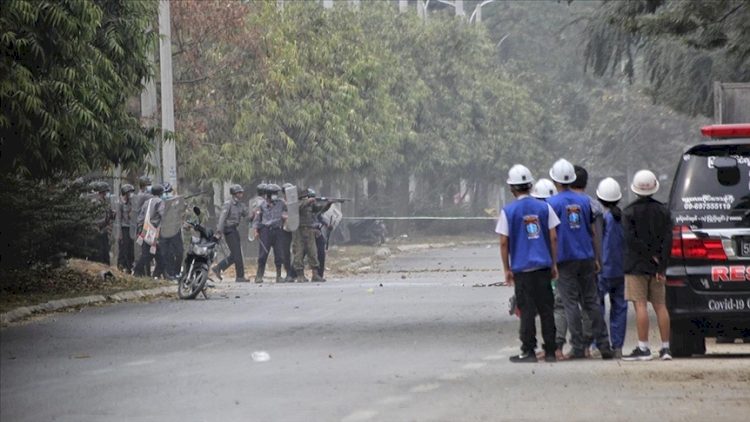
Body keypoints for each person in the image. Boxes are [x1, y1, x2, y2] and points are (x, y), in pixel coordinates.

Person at [546, 158, 614, 360]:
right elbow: (592, 232)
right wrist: (596, 259)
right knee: (592, 302)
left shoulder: (551, 204)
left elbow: (553, 236)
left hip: (565, 259)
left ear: (554, 180)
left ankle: (577, 348)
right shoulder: (586, 202)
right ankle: (604, 345)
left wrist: (553, 263)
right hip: (586, 257)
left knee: (570, 304)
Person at [497, 165, 560, 363]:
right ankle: (550, 351)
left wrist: (506, 268)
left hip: (522, 268)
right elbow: (553, 237)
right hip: (543, 267)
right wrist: (554, 264)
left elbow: (504, 241)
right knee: (547, 309)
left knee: (527, 310)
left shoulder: (508, 211)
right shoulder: (544, 207)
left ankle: (529, 350)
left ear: (512, 188)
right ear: (531, 185)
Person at [621, 170, 673, 361]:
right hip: (658, 268)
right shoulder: (664, 211)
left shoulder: (628, 212)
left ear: (635, 189)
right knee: (660, 306)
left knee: (640, 305)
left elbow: (631, 240)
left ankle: (643, 348)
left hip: (636, 266)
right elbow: (669, 240)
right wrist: (661, 264)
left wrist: (650, 256)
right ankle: (666, 348)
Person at [596, 177, 628, 358]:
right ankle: (618, 346)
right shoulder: (623, 217)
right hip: (621, 270)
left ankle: (598, 344)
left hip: (602, 270)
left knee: (596, 307)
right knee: (620, 308)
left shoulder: (601, 218)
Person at [293, 187, 331, 283]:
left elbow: (319, 209)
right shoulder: (296, 204)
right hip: (299, 230)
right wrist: (307, 202)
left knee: (313, 252)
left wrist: (328, 204)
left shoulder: (310, 205)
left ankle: (315, 274)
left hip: (309, 230)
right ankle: (300, 275)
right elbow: (296, 209)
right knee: (299, 253)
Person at [213, 184, 250, 282]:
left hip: (235, 229)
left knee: (235, 255)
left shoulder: (240, 206)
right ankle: (240, 276)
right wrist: (219, 232)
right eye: (238, 193)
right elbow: (222, 219)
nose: (240, 195)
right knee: (236, 254)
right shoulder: (228, 204)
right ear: (234, 194)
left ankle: (218, 267)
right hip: (228, 230)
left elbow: (247, 217)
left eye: (241, 193)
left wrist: (254, 215)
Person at [252, 184, 287, 283]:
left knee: (279, 253)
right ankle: (259, 275)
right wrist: (255, 230)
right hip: (265, 230)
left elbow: (289, 208)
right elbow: (257, 219)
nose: (276, 195)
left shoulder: (280, 203)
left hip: (277, 230)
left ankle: (279, 275)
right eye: (274, 194)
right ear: (268, 195)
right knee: (263, 254)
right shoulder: (261, 205)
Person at [133, 184, 165, 277]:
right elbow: (162, 215)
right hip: (155, 232)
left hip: (146, 231)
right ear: (161, 193)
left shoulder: (147, 202)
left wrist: (140, 229)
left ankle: (139, 272)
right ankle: (142, 271)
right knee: (154, 255)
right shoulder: (160, 202)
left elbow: (140, 217)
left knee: (151, 254)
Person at [154, 183, 183, 280]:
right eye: (165, 193)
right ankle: (167, 274)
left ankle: (176, 272)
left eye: (168, 192)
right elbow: (163, 215)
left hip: (174, 230)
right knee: (165, 253)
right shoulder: (161, 203)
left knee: (179, 252)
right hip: (164, 231)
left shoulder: (176, 202)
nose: (167, 195)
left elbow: (181, 214)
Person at [307, 189, 332, 279]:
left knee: (321, 252)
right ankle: (293, 274)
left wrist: (327, 224)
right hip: (306, 231)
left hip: (317, 230)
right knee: (301, 254)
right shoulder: (302, 207)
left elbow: (320, 214)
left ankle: (318, 274)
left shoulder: (315, 207)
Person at [89, 182, 114, 265]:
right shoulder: (95, 203)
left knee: (105, 252)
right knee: (98, 253)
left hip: (105, 230)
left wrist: (112, 216)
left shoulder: (106, 203)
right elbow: (94, 218)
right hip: (97, 230)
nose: (106, 193)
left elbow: (109, 216)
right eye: (105, 192)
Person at [280, 182, 297, 283]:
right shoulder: (281, 203)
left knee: (296, 251)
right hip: (285, 229)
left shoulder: (296, 202)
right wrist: (283, 216)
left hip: (295, 228)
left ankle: (294, 272)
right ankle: (287, 272)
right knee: (285, 252)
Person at [118, 183, 136, 273]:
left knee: (130, 248)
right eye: (129, 193)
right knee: (124, 249)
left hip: (131, 228)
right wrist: (119, 233)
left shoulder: (131, 203)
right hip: (124, 228)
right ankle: (122, 266)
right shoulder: (121, 203)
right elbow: (118, 219)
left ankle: (130, 266)